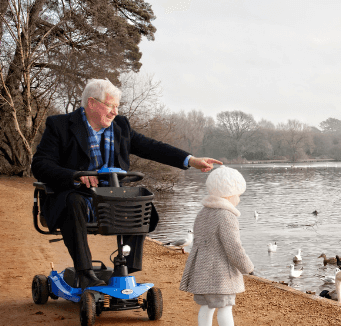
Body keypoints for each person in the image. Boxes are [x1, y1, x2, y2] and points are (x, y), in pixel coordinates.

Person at [31, 78, 222, 288]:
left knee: (141, 203)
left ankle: (124, 271)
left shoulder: (120, 126)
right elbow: (40, 165)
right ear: (92, 103)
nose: (115, 112)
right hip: (71, 194)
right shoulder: (59, 125)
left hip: (109, 197)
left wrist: (191, 160)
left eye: (117, 106)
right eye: (111, 105)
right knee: (74, 201)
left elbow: (152, 147)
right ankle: (84, 272)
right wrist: (75, 175)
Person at [179, 166, 254, 326]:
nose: (239, 198)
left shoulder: (203, 213)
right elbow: (233, 248)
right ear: (229, 194)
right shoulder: (226, 215)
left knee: (206, 305)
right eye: (238, 194)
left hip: (201, 269)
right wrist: (248, 267)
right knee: (225, 306)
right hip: (219, 272)